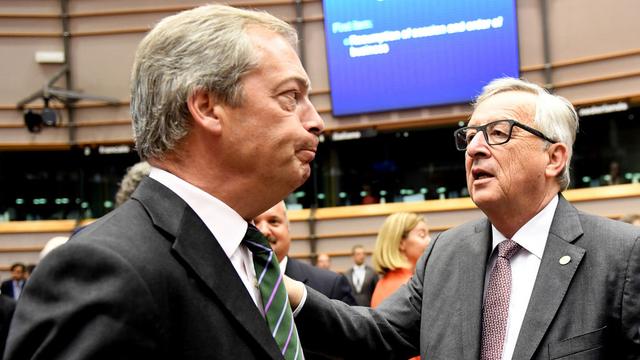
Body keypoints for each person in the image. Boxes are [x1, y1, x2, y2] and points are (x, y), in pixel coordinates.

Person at [5, 4, 323, 359]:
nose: (315, 121)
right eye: (290, 97)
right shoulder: (105, 269)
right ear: (206, 106)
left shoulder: (245, 255)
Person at [284, 77, 640, 359]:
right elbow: (377, 333)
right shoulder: (445, 252)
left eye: (498, 132)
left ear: (554, 158)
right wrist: (286, 290)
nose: (474, 148)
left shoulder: (620, 255)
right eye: (469, 136)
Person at [254, 201, 355, 305]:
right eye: (253, 223)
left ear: (288, 228)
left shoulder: (331, 286)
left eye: (273, 221)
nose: (263, 231)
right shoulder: (236, 285)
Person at [370, 212, 430, 308]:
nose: (430, 241)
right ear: (401, 243)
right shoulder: (407, 287)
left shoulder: (385, 283)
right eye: (422, 235)